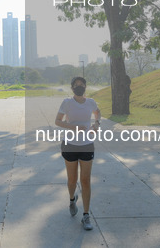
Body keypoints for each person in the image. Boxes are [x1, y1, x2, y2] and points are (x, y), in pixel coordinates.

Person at [55, 76, 101, 231]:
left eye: (81, 85)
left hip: (87, 144)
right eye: (76, 85)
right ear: (72, 88)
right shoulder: (67, 103)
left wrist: (97, 123)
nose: (79, 87)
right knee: (72, 180)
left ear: (85, 87)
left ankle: (86, 215)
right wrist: (73, 128)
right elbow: (57, 121)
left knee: (86, 180)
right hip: (70, 145)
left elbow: (97, 112)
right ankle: (72, 199)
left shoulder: (91, 102)